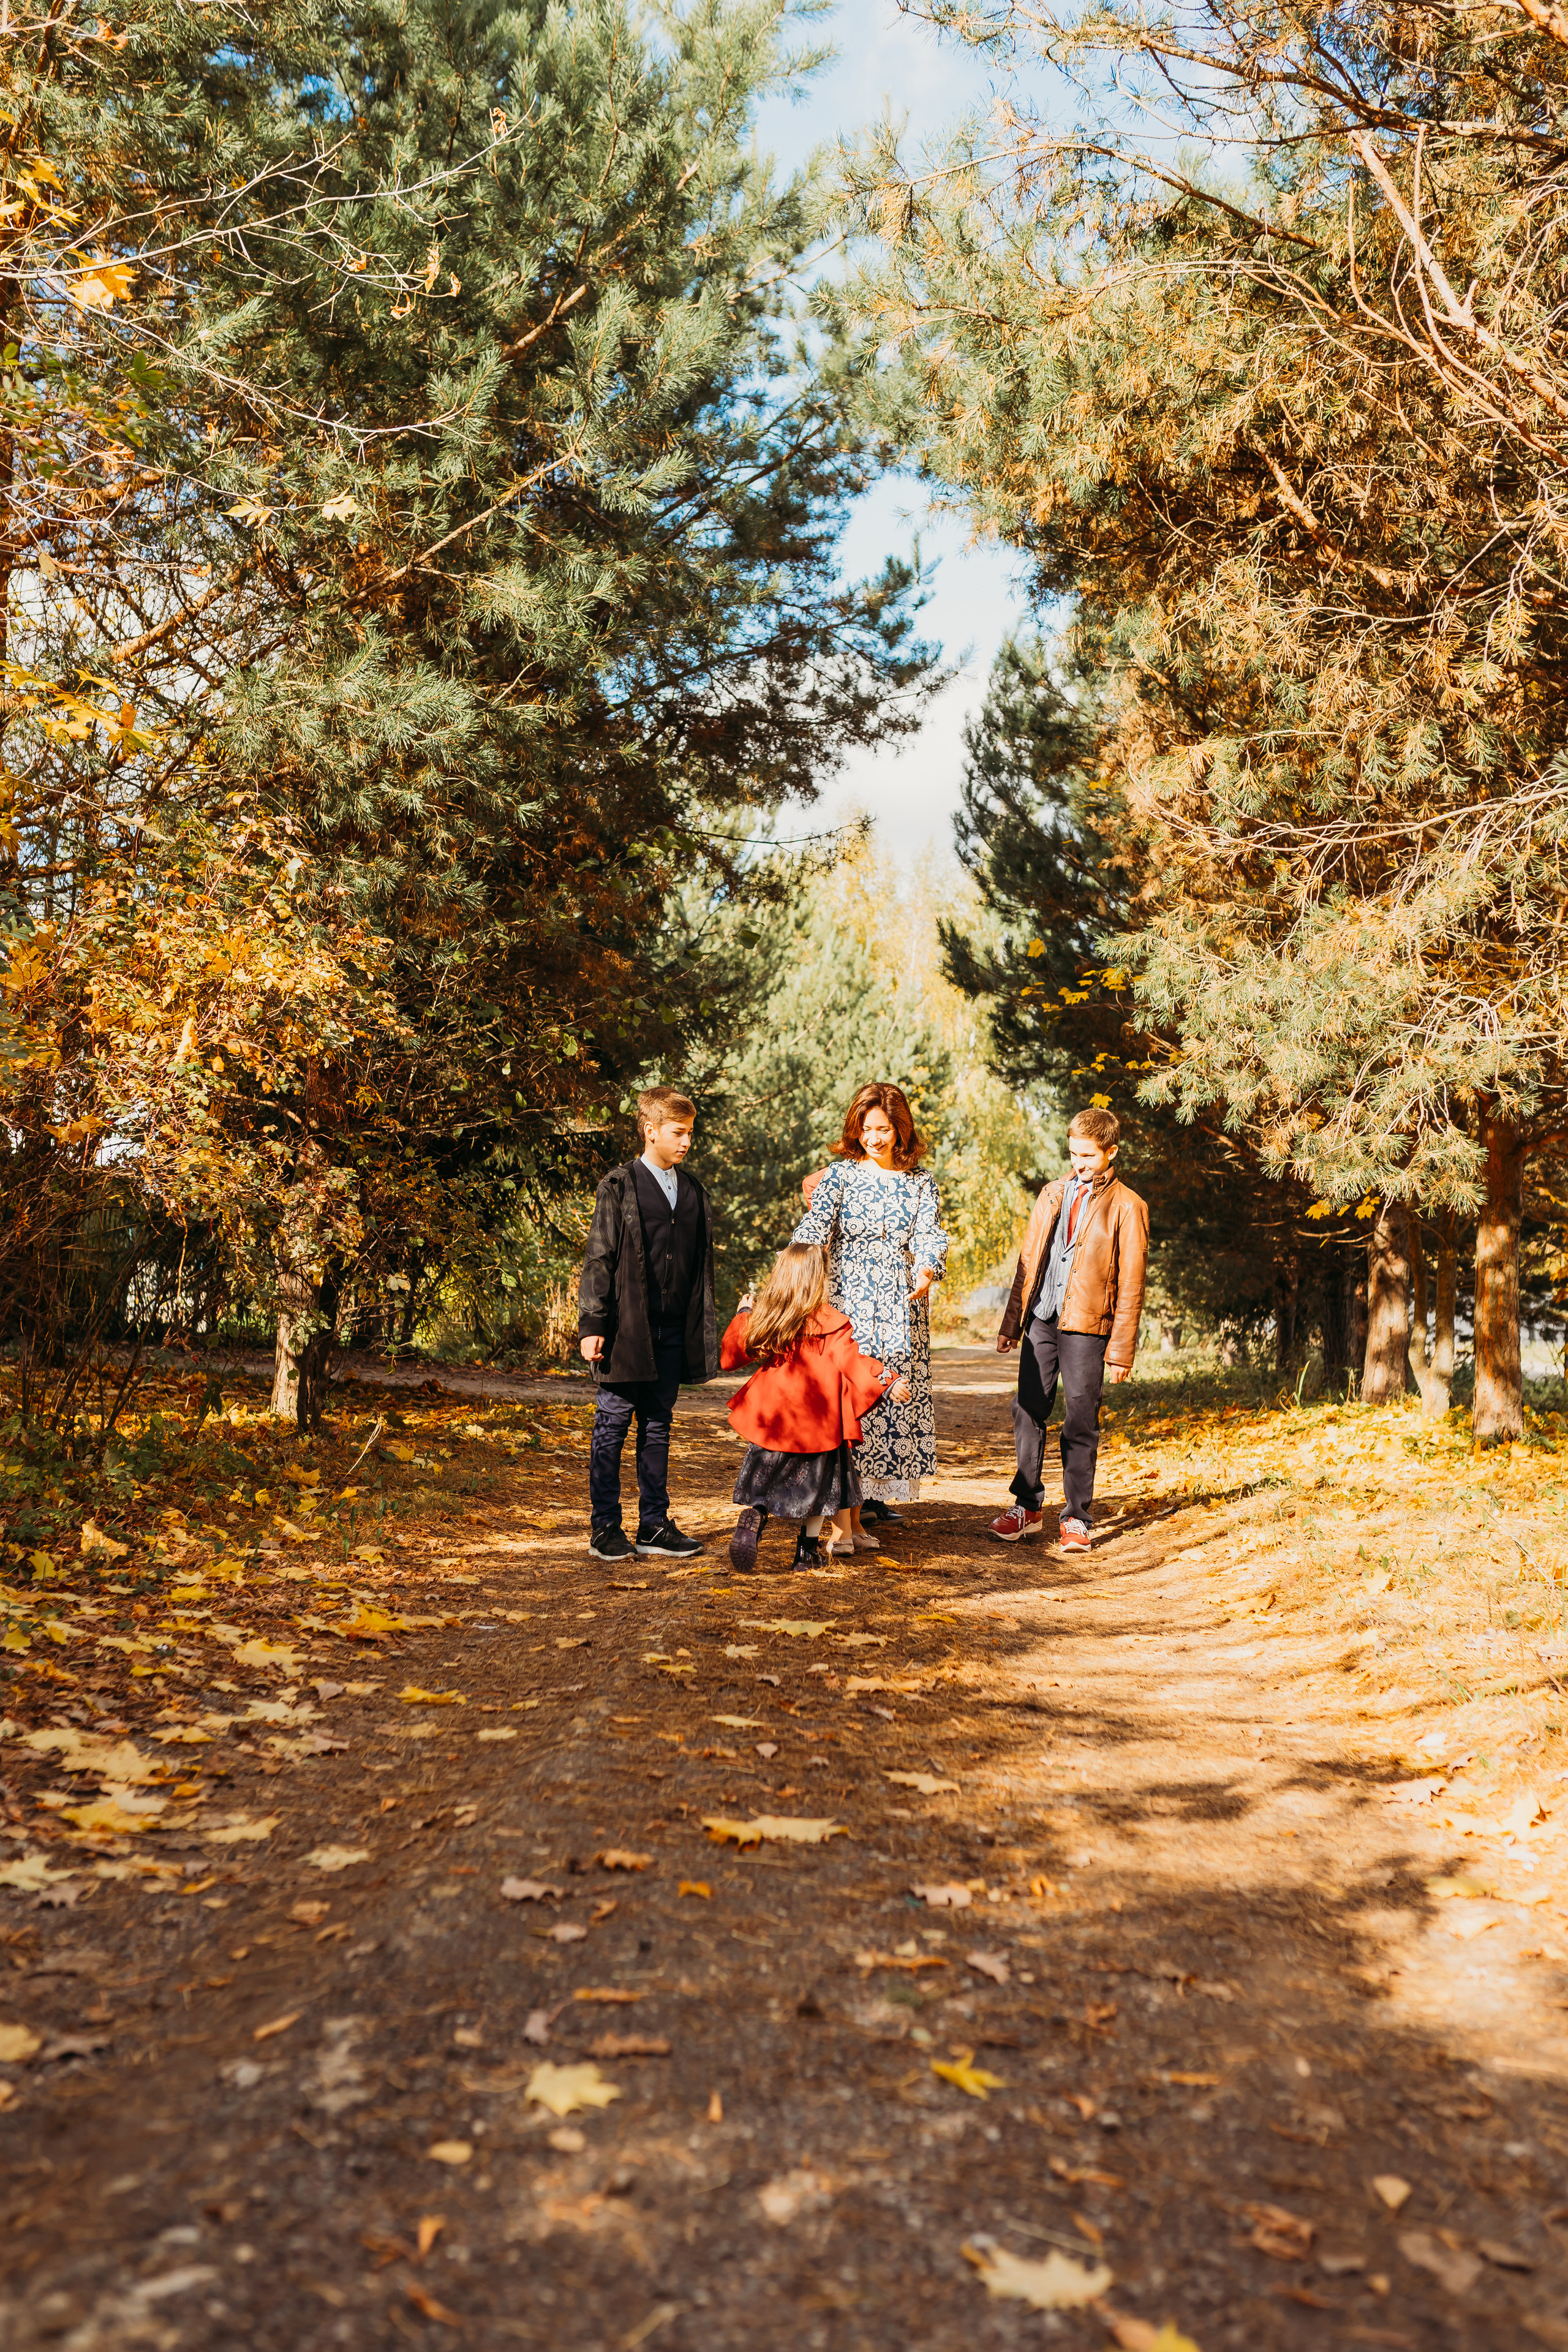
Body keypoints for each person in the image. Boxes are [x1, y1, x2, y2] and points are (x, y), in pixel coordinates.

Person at [791, 1082, 948, 1544]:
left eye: (883, 1129)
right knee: (848, 1406)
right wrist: (795, 1264)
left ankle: (855, 1521)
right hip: (848, 1304)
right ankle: (844, 1525)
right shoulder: (839, 1176)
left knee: (882, 1409)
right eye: (866, 1129)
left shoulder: (920, 1181)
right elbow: (815, 1225)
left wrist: (927, 1268)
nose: (874, 1139)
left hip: (901, 1306)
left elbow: (930, 1233)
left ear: (901, 1130)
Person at [989, 1106, 1148, 1553]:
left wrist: (1121, 1350)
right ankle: (1026, 1507)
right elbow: (1028, 1261)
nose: (1079, 1163)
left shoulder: (1128, 1206)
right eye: (1074, 1154)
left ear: (1111, 1152)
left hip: (1087, 1326)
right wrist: (1012, 1322)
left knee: (1081, 1418)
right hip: (1041, 1318)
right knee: (1027, 1408)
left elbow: (1132, 1282)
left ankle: (1077, 1517)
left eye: (1088, 1155)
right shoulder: (1052, 1194)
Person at [578, 1086, 718, 1562]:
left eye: (691, 1133)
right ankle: (605, 1529)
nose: (686, 1142)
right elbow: (599, 1257)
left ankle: (654, 1526)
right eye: (678, 1133)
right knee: (612, 1426)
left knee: (658, 1427)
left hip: (673, 1333)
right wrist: (592, 1323)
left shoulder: (693, 1191)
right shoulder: (619, 1186)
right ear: (650, 1130)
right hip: (624, 1332)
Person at [722, 1243, 910, 1572]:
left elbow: (732, 1354)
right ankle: (806, 1553)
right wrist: (887, 1381)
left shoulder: (771, 1315)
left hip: (773, 1419)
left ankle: (756, 1514)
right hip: (817, 1423)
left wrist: (744, 1314)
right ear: (818, 1277)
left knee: (766, 1478)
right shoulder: (830, 1322)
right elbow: (853, 1362)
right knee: (819, 1490)